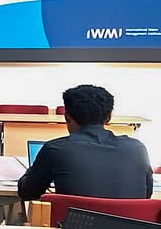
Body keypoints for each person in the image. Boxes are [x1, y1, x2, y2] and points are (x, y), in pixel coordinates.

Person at [18, 84, 152, 201]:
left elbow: (27, 192)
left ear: (67, 116)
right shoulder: (137, 149)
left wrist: (33, 170)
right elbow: (147, 194)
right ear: (109, 117)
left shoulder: (55, 149)